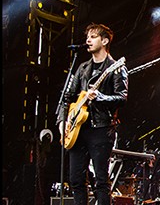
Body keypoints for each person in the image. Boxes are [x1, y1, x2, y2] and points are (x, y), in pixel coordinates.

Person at [57, 23, 128, 205]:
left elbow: (122, 97)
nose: (88, 39)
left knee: (101, 181)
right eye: (87, 36)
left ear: (104, 41)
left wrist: (100, 97)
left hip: (101, 129)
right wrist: (62, 122)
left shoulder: (115, 67)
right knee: (76, 179)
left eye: (93, 36)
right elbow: (67, 97)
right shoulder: (82, 68)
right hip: (78, 130)